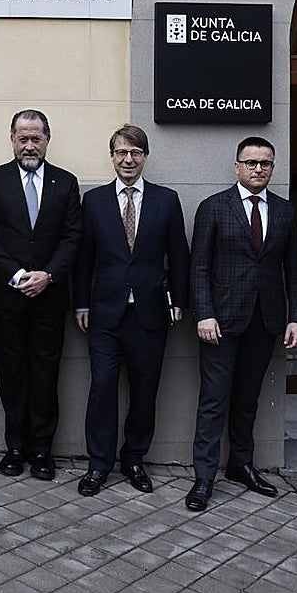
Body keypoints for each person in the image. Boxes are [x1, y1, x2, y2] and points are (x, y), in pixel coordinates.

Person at [184, 136, 297, 512]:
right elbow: (198, 267)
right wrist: (203, 312)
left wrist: (296, 317)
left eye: (265, 163)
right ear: (237, 167)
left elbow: (294, 272)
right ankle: (204, 477)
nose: (258, 169)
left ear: (273, 167)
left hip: (265, 320)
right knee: (214, 400)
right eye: (251, 163)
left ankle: (241, 465)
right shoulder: (214, 207)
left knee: (247, 400)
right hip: (220, 321)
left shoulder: (285, 212)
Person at [73, 124, 189, 497]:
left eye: (136, 153)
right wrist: (81, 302)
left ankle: (135, 459)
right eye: (122, 152)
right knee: (102, 388)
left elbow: (180, 257)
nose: (128, 159)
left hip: (151, 314)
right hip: (105, 314)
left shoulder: (166, 200)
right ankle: (99, 464)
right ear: (112, 157)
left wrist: (179, 301)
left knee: (144, 390)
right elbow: (83, 258)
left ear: (145, 157)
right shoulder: (93, 201)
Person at [0, 109, 81, 481]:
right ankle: (15, 448)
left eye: (36, 138)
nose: (29, 145)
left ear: (47, 139)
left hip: (49, 296)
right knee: (11, 373)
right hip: (5, 295)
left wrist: (47, 275)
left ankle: (41, 451)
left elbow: (72, 237)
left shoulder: (66, 183)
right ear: (12, 139)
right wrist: (18, 275)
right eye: (23, 137)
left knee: (45, 374)